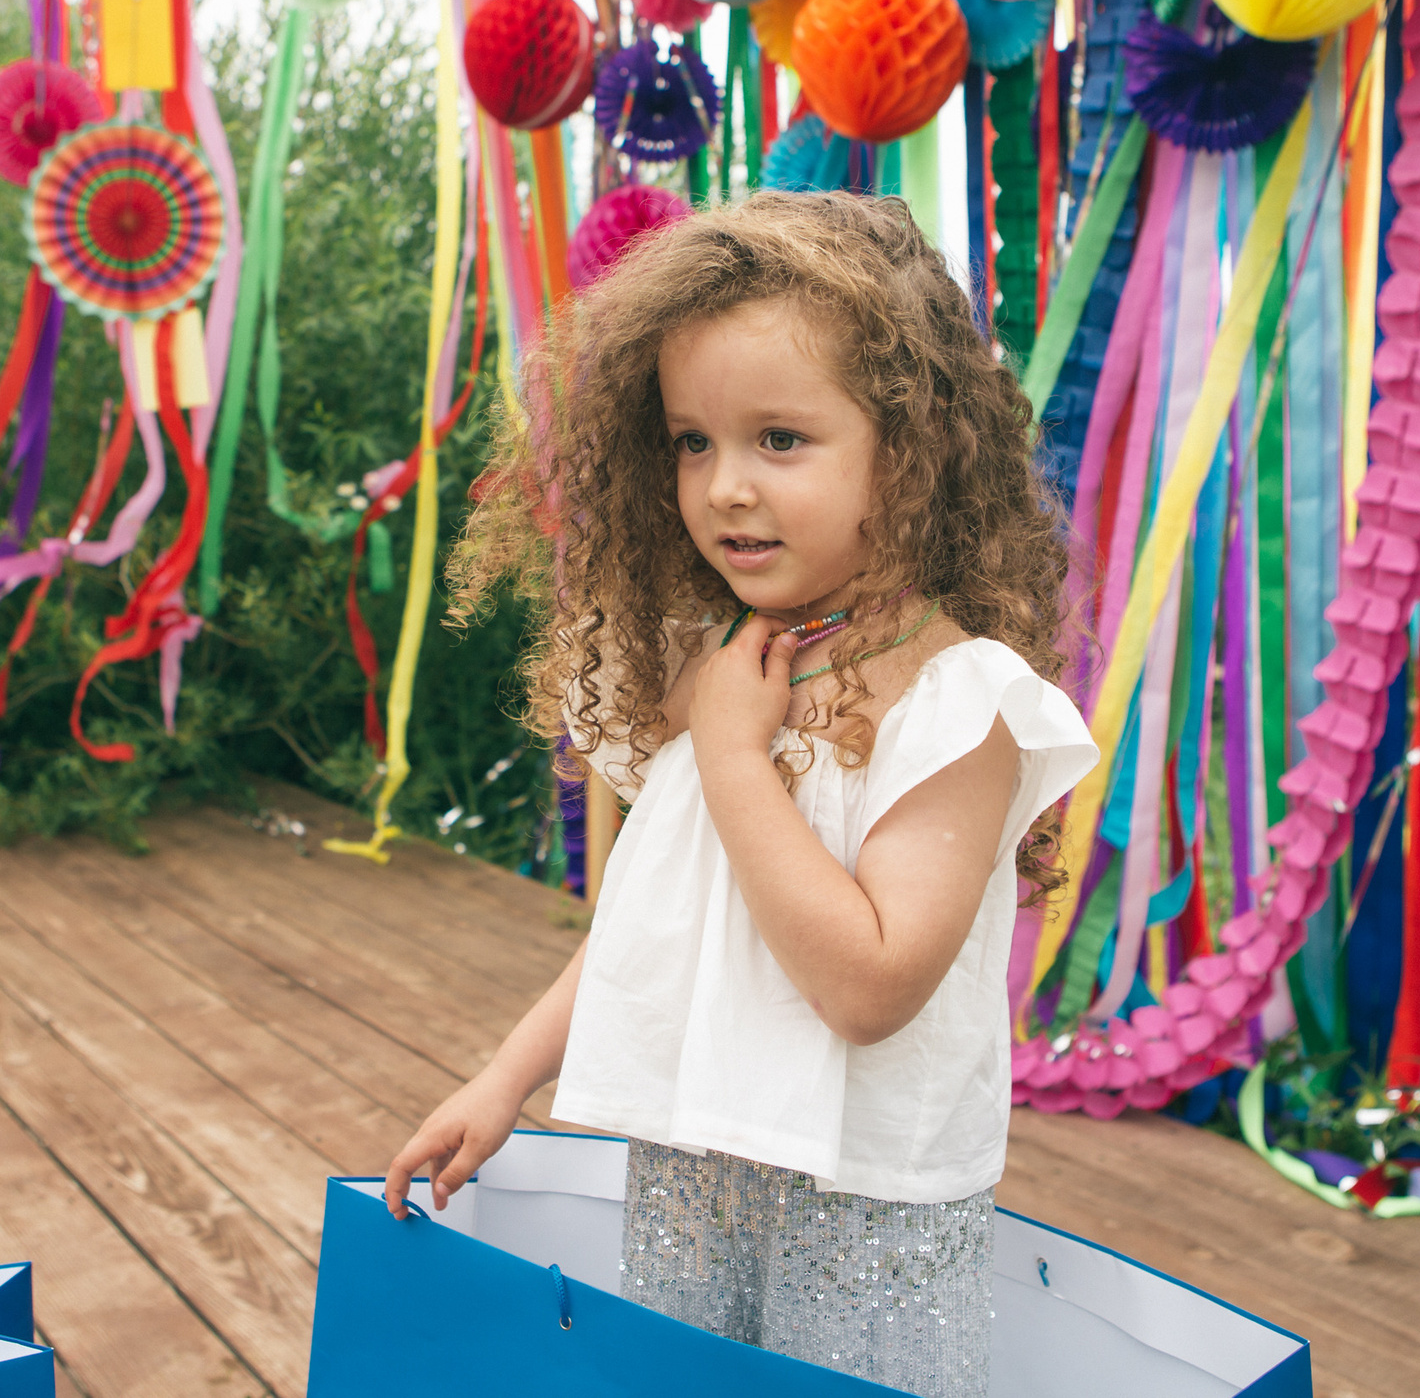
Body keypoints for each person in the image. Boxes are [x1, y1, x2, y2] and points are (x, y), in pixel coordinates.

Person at [384, 191, 1098, 1398]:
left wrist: (729, 758)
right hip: (692, 1162)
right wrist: (506, 1078)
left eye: (779, 439)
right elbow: (665, 915)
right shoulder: (724, 667)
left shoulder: (960, 701)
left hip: (865, 1211)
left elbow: (870, 986)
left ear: (908, 447)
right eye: (690, 442)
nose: (721, 488)